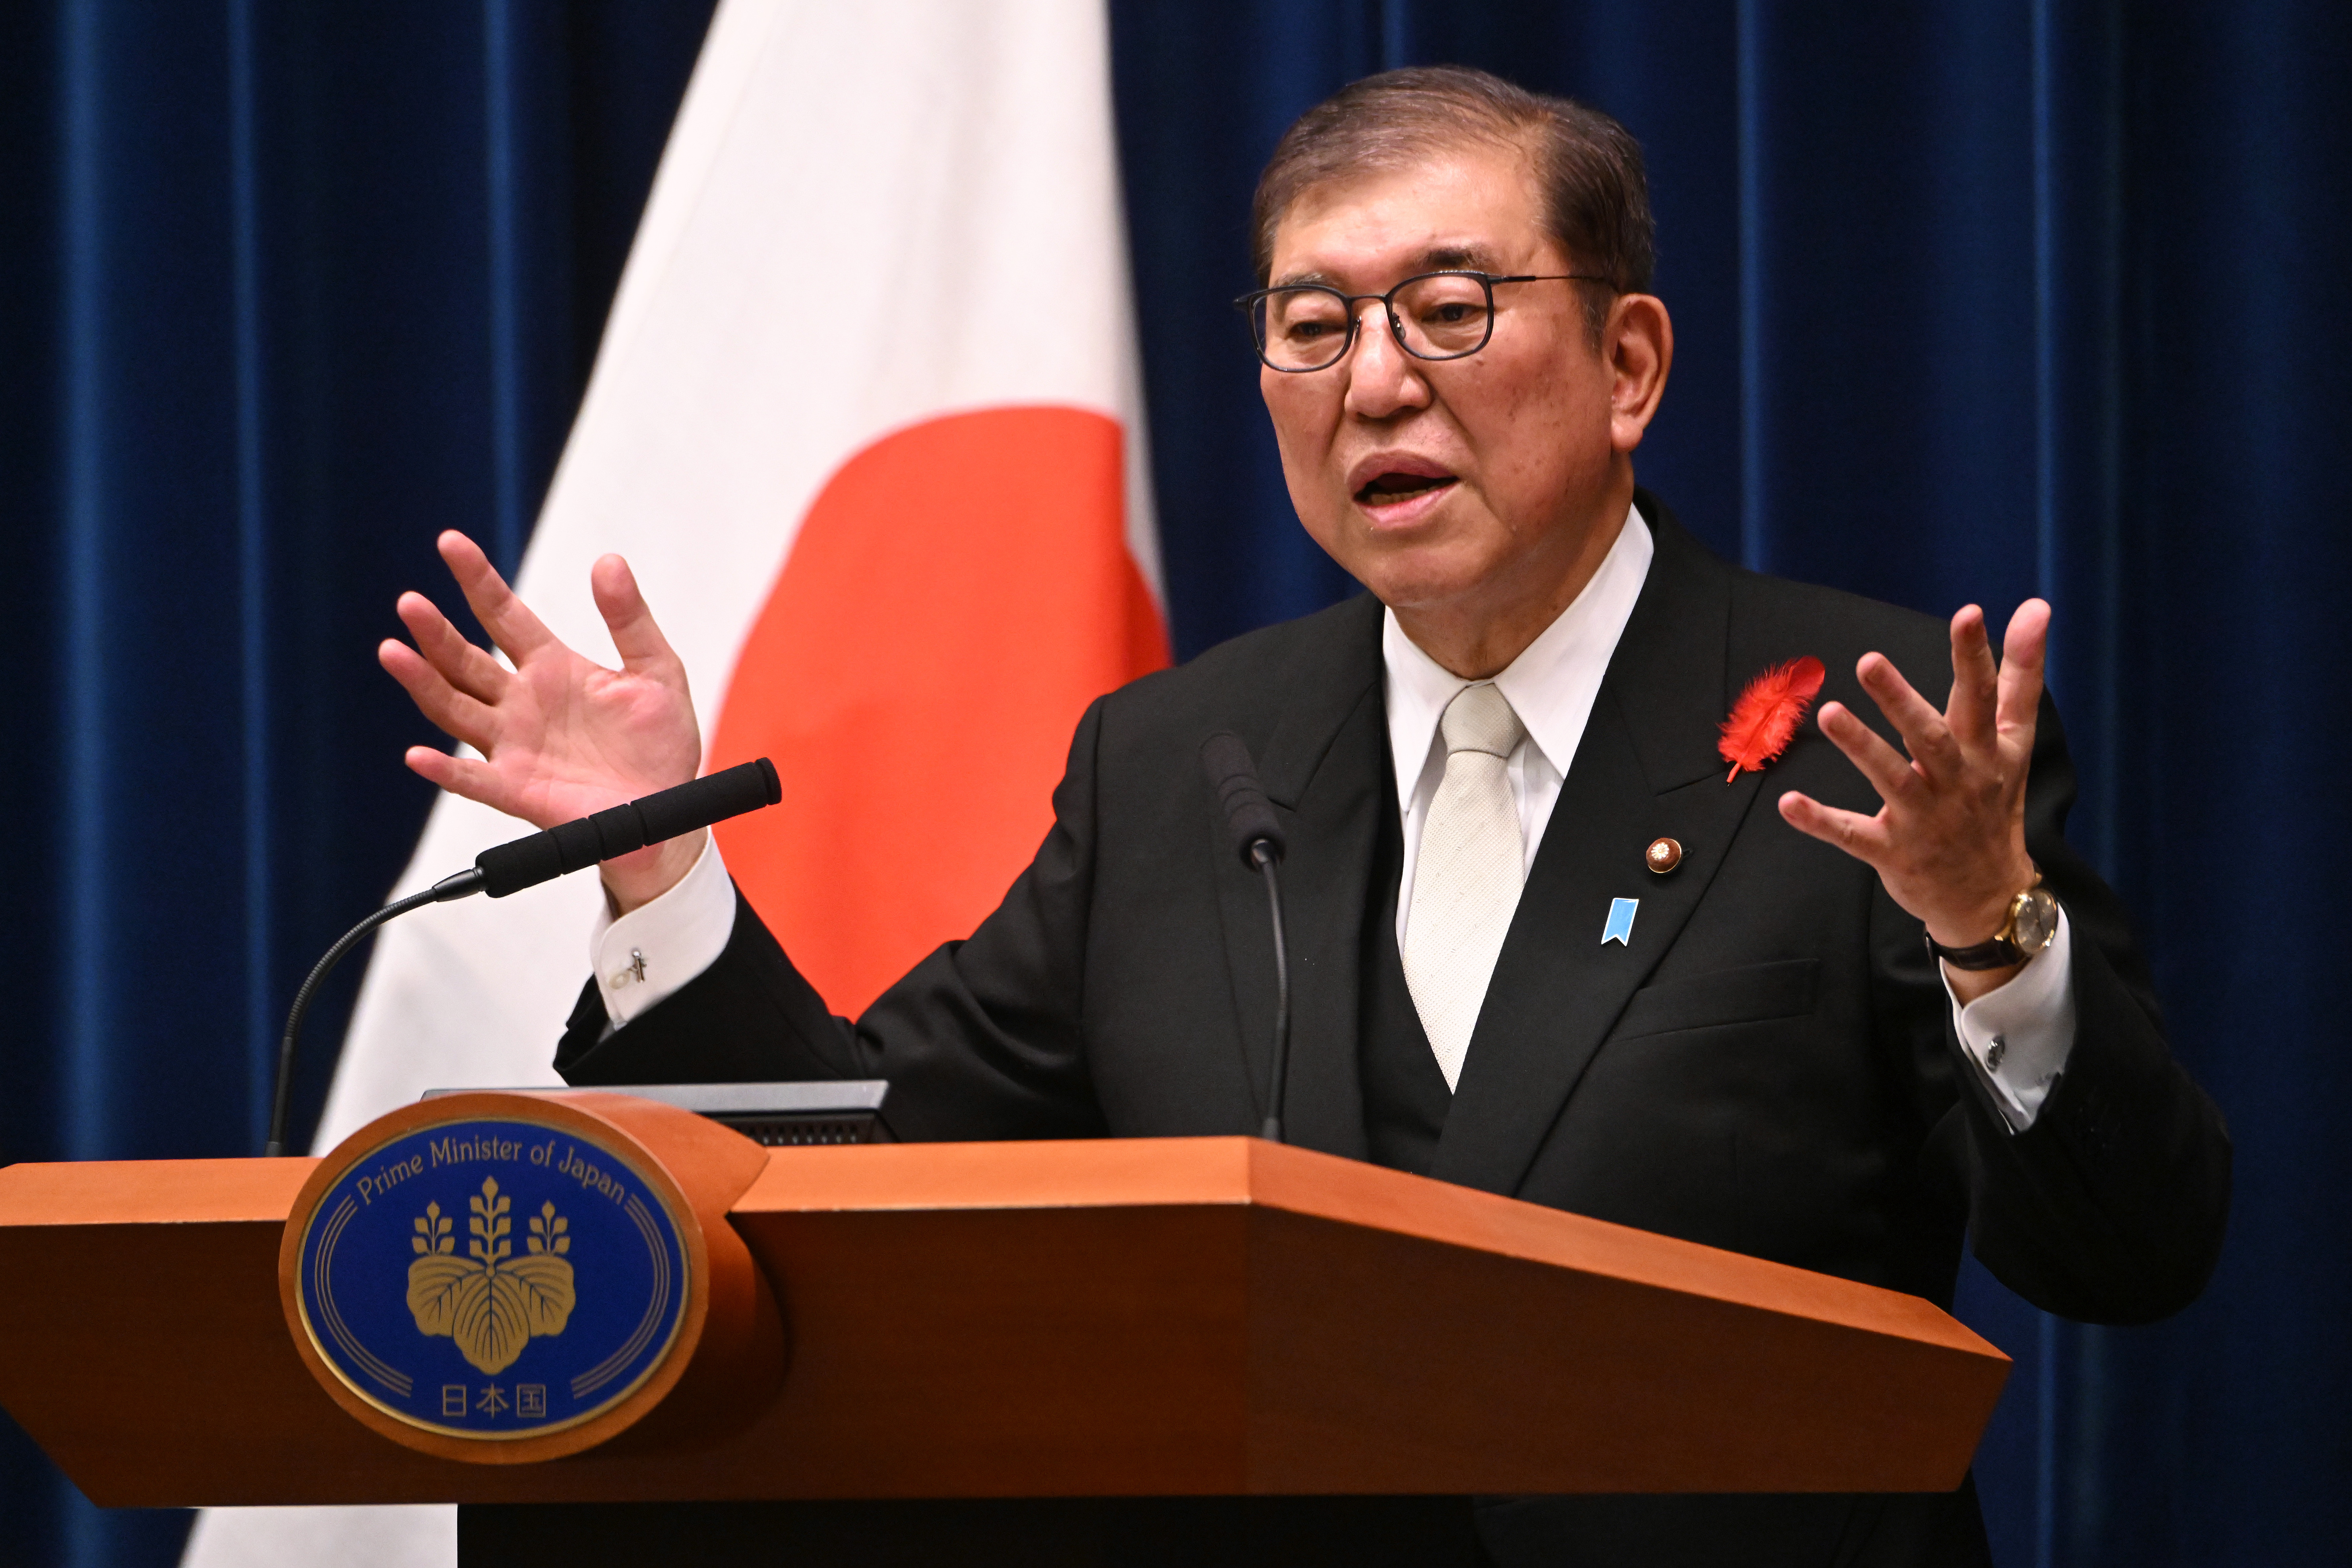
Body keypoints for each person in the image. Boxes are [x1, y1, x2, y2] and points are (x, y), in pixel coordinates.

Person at [383, 66, 2228, 1568]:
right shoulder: (1183, 762)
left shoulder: (1870, 734)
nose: (1375, 381)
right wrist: (660, 867)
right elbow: (865, 1182)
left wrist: (1991, 933)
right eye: (1310, 324)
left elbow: (2128, 1256)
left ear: (1631, 366)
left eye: (1447, 309)